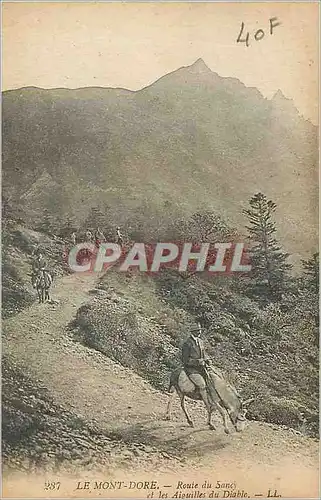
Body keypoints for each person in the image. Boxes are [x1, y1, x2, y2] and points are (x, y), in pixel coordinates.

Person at [181, 323, 212, 408]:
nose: (199, 332)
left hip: (202, 368)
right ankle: (207, 404)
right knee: (202, 384)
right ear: (193, 332)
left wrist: (208, 360)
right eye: (197, 331)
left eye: (200, 330)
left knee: (213, 380)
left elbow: (204, 354)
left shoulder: (201, 342)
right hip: (191, 369)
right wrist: (198, 362)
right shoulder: (187, 344)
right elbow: (185, 360)